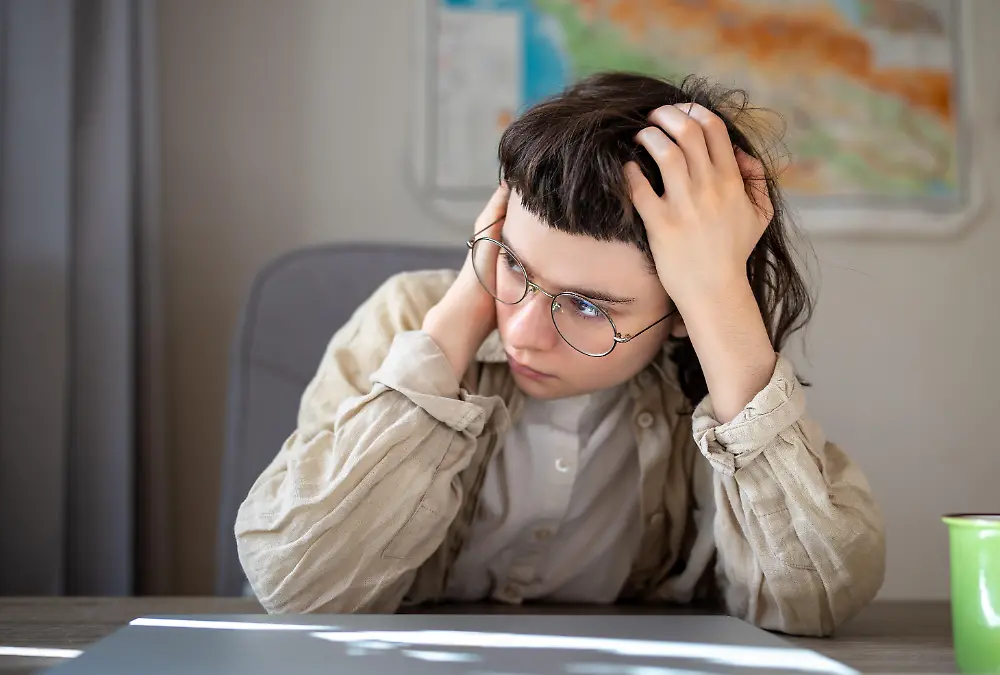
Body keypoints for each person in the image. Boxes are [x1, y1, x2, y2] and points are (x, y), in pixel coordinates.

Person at [235, 72, 885, 636]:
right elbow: (297, 586)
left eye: (588, 306)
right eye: (516, 263)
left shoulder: (704, 370)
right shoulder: (408, 318)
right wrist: (469, 297)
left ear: (685, 312)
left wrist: (720, 298)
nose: (522, 332)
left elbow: (811, 601)